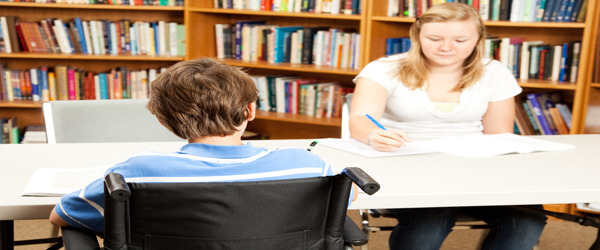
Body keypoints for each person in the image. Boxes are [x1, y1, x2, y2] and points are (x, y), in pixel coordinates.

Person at [49, 58, 356, 231]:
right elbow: (347, 195)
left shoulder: (136, 172)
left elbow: (61, 215)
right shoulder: (308, 165)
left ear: (162, 121)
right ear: (251, 110)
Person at [349, 3, 546, 250]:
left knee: (526, 220)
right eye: (434, 38)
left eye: (461, 39)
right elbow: (359, 120)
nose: (446, 47)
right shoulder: (384, 69)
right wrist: (373, 134)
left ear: (478, 39)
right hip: (406, 168)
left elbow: (499, 136)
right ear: (417, 36)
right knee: (429, 222)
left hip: (474, 169)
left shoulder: (494, 72)